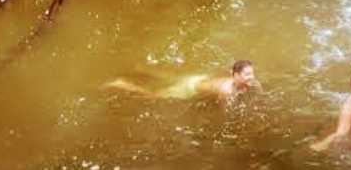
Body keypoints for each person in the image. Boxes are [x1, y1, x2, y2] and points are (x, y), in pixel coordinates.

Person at [105, 59, 262, 101]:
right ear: (235, 75)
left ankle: (141, 69)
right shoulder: (226, 91)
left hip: (200, 79)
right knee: (154, 96)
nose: (251, 77)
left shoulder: (249, 82)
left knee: (172, 78)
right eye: (247, 74)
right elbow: (222, 111)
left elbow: (259, 89)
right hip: (190, 88)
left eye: (251, 73)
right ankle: (122, 84)